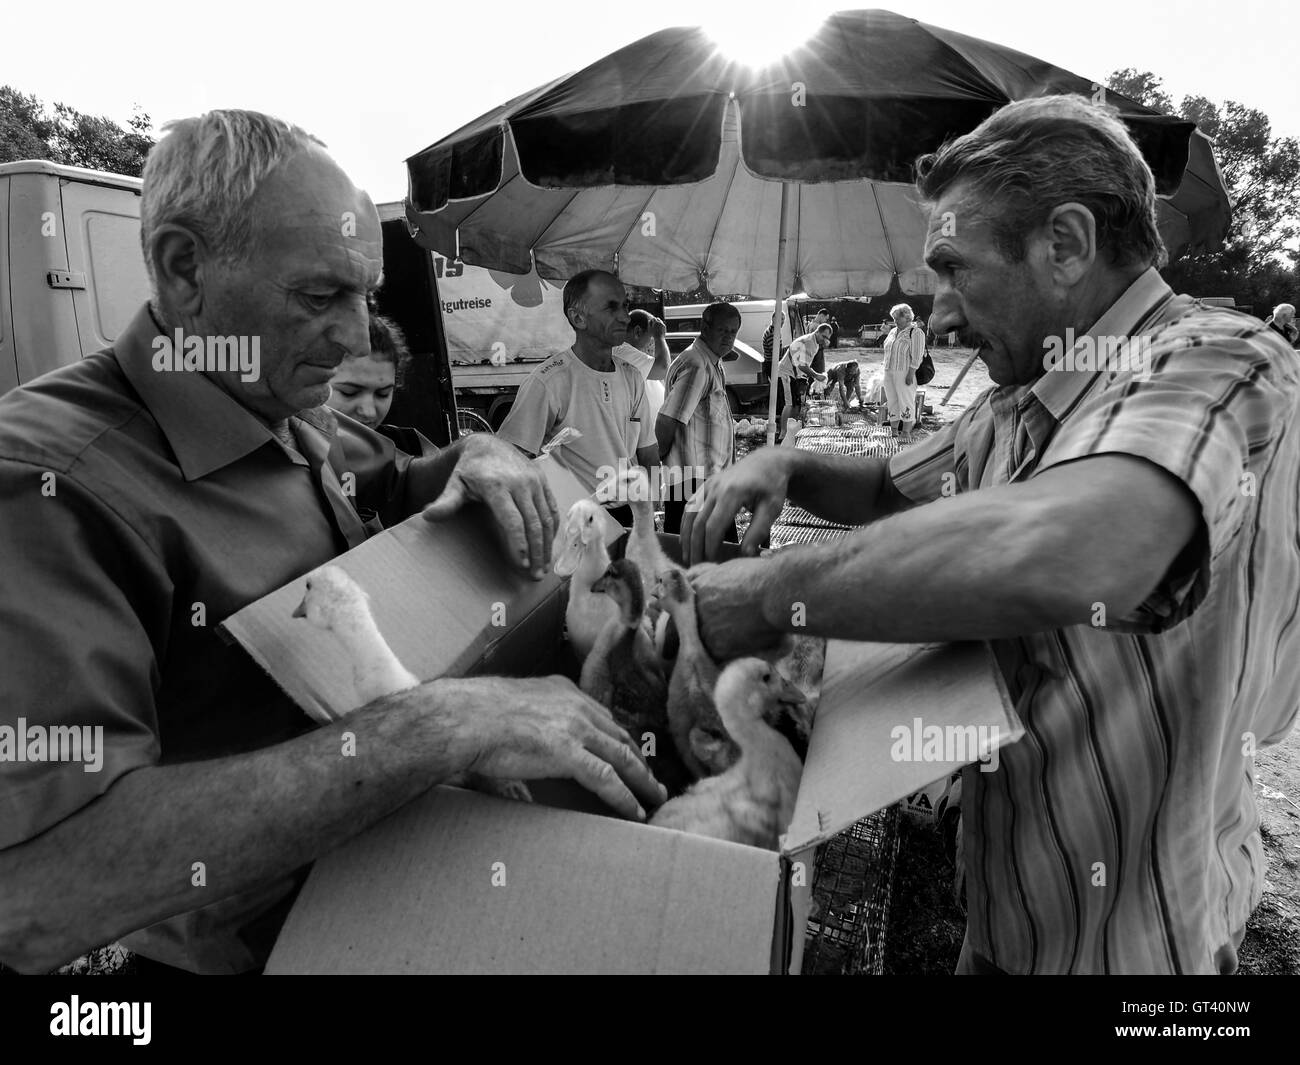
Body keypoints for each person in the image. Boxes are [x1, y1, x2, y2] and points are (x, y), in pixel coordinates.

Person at [0, 110, 661, 976]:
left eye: (366, 295)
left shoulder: (284, 411)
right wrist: (437, 726)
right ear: (183, 267)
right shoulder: (48, 485)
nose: (356, 337)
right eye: (319, 297)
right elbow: (36, 892)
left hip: (392, 892)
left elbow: (408, 476)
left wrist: (487, 453)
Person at [680, 94, 1300, 975]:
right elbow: (888, 485)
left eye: (952, 268)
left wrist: (764, 596)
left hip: (1145, 959)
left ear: (1066, 244)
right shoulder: (1015, 406)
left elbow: (1082, 543)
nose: (934, 317)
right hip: (1007, 924)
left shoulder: (1222, 363)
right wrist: (784, 460)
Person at [497, 269, 659, 527]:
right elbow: (510, 460)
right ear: (578, 318)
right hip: (575, 520)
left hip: (627, 513)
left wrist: (647, 513)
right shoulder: (549, 382)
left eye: (625, 306)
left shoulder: (632, 378)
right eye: (611, 307)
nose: (625, 317)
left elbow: (648, 452)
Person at [656, 301, 739, 541]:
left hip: (706, 481)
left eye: (733, 331)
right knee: (699, 557)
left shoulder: (711, 362)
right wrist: (661, 466)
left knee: (717, 554)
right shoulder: (696, 364)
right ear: (705, 327)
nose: (728, 337)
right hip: (692, 483)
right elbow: (666, 420)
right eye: (723, 330)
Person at [326, 311, 437, 457]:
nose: (369, 412)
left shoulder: (411, 449)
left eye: (382, 394)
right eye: (349, 392)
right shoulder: (292, 458)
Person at [615, 308, 670, 425]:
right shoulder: (623, 351)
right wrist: (660, 337)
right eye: (652, 337)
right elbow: (662, 369)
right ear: (638, 332)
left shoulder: (629, 352)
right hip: (640, 434)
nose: (653, 343)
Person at [777, 324, 832, 439]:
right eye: (823, 336)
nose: (825, 340)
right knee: (789, 404)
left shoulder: (815, 343)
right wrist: (816, 375)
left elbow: (803, 364)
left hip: (795, 375)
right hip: (786, 373)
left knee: (796, 405)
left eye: (827, 338)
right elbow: (802, 365)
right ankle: (782, 434)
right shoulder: (809, 342)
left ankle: (791, 431)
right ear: (817, 332)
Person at [880, 303, 925, 436]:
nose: (894, 321)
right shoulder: (893, 331)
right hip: (888, 370)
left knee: (906, 400)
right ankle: (893, 430)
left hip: (904, 371)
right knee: (892, 400)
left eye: (897, 318)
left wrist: (911, 373)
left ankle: (905, 431)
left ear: (907, 318)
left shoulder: (915, 332)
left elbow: (917, 356)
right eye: (893, 318)